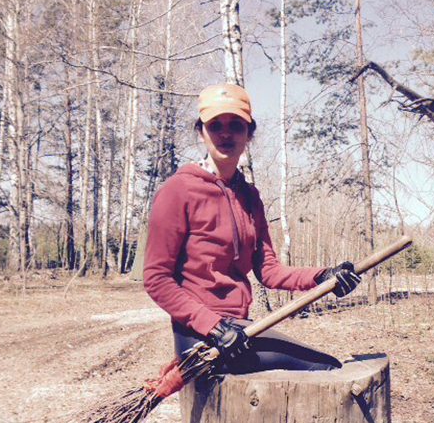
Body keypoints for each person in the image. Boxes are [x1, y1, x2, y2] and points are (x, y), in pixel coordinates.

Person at [143, 83, 360, 375]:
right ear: (201, 132)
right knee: (324, 368)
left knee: (329, 366)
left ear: (249, 133)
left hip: (240, 330)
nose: (225, 133)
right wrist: (212, 326)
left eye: (236, 125)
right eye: (215, 125)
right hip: (200, 338)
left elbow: (268, 270)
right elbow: (157, 279)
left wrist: (323, 276)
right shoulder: (177, 190)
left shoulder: (250, 196)